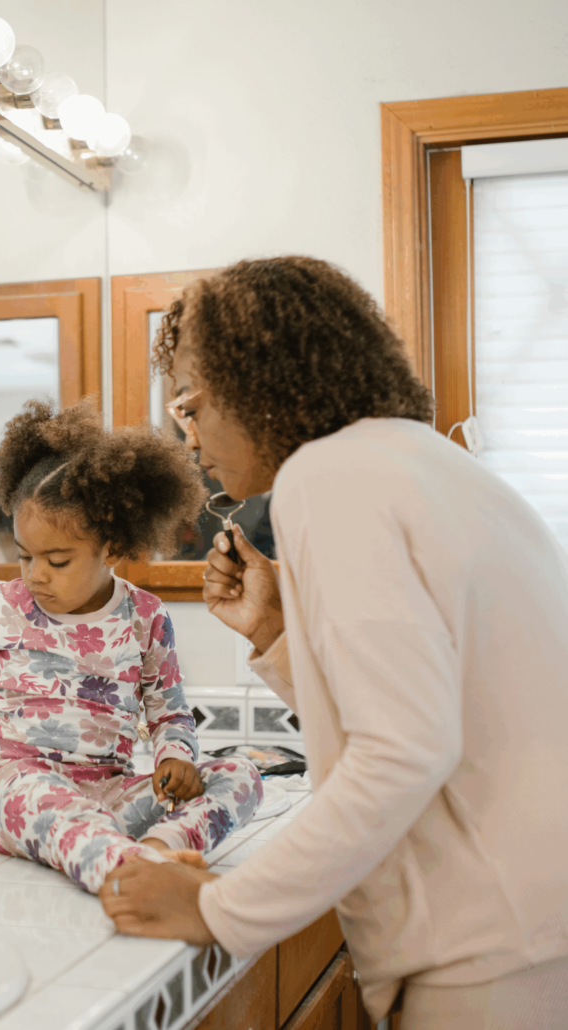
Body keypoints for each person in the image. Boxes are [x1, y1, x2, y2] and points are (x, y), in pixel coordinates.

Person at [99, 257, 568, 1030]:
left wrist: (217, 907)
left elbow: (402, 750)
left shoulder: (329, 475)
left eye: (190, 403)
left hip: (487, 952)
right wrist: (279, 633)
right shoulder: (429, 464)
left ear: (256, 379)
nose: (190, 438)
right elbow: (427, 706)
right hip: (528, 931)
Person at [0, 399, 264, 892]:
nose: (36, 575)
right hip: (17, 789)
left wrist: (174, 758)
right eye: (25, 556)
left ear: (112, 548)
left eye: (57, 560)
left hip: (110, 794)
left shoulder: (146, 616)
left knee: (240, 775)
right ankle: (131, 872)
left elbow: (169, 713)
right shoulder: (5, 606)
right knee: (50, 805)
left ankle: (159, 849)